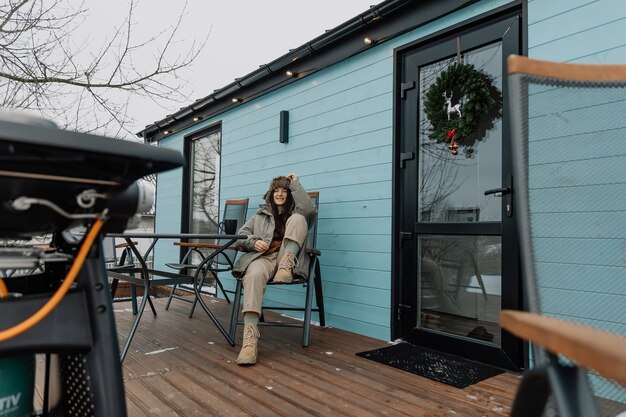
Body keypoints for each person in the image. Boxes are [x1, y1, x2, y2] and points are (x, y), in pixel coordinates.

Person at [232, 173, 316, 366]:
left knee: (298, 219)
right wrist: (254, 242)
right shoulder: (260, 215)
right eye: (276, 190)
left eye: (284, 191)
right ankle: (249, 342)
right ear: (270, 193)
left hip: (287, 258)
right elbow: (242, 235)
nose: (280, 194)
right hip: (264, 257)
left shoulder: (298, 211)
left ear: (290, 194)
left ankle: (286, 267)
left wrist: (295, 183)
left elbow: (309, 211)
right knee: (252, 274)